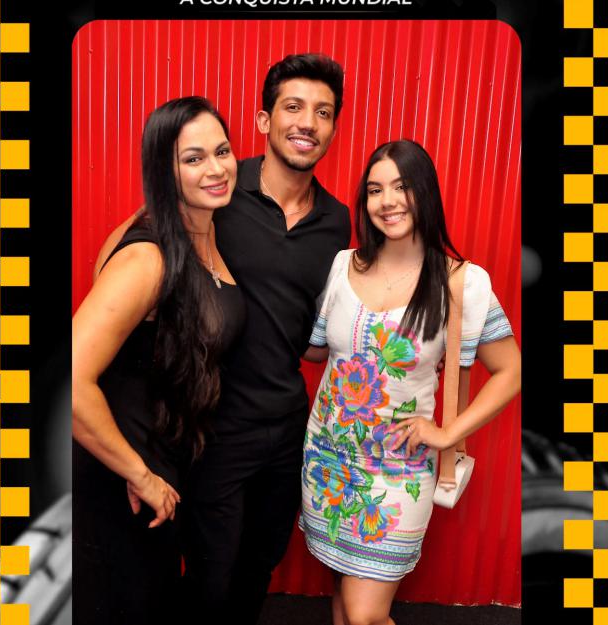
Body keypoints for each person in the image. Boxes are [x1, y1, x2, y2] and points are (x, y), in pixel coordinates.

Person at [300, 140, 521, 625]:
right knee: (343, 598)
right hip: (327, 462)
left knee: (364, 614)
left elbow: (511, 371)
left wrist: (447, 433)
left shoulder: (462, 283)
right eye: (375, 189)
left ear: (426, 193)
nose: (388, 201)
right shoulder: (342, 265)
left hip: (397, 472)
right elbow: (316, 348)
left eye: (401, 187)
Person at [181, 53, 352, 624]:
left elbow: (314, 326)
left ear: (333, 128)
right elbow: (148, 239)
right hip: (216, 426)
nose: (308, 122)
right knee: (210, 574)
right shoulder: (222, 189)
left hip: (288, 427)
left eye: (323, 112)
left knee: (259, 565)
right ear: (264, 120)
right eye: (294, 107)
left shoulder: (337, 220)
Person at [72, 96, 245, 625]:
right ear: (164, 171)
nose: (216, 168)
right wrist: (138, 472)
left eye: (222, 151)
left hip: (166, 459)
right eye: (193, 158)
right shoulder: (147, 257)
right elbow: (69, 383)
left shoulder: (202, 231)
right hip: (124, 472)